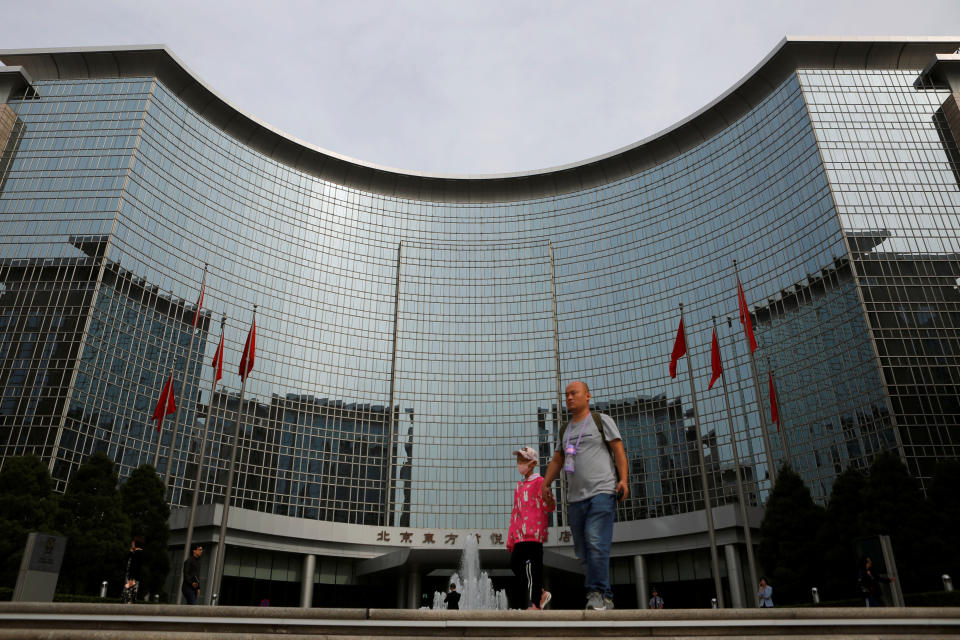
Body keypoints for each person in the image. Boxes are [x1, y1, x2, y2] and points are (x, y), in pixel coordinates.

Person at [542, 381, 628, 611]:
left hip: (602, 491)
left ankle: (597, 593)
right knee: (583, 550)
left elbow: (618, 449)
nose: (569, 397)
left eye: (574, 393)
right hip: (575, 498)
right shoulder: (565, 430)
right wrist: (545, 484)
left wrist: (623, 480)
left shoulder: (601, 421)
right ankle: (604, 596)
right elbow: (558, 460)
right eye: (567, 394)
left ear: (587, 395)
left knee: (595, 541)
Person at [507, 446, 556, 610]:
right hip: (520, 536)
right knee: (515, 564)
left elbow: (548, 506)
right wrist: (511, 537)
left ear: (533, 463)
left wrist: (549, 501)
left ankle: (535, 602)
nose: (519, 464)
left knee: (533, 568)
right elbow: (515, 512)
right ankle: (540, 593)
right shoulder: (519, 486)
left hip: (534, 534)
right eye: (518, 460)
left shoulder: (540, 481)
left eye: (523, 460)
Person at [122, 535, 145, 604]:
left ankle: (128, 606)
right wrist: (131, 551)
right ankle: (127, 604)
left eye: (133, 542)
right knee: (127, 591)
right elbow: (127, 560)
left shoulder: (139, 553)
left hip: (132, 577)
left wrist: (131, 578)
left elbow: (135, 567)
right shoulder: (135, 552)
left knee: (129, 592)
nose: (132, 544)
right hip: (130, 576)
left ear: (136, 543)